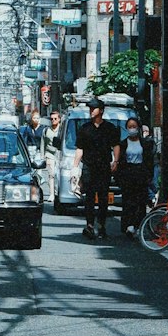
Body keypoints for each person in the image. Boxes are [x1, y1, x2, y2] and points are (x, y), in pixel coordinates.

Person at [73, 98, 120, 240]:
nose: (91, 111)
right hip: (89, 166)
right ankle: (89, 225)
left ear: (101, 110)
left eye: (93, 108)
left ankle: (102, 225)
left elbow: (116, 145)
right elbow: (79, 149)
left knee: (104, 197)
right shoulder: (84, 128)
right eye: (90, 108)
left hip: (104, 166)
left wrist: (115, 161)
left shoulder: (110, 128)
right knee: (89, 197)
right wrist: (75, 167)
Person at [117, 115, 154, 237]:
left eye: (134, 126)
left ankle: (139, 226)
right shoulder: (123, 144)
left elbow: (149, 161)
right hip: (128, 174)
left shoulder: (144, 143)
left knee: (140, 202)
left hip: (141, 174)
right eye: (129, 127)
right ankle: (128, 225)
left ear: (138, 128)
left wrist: (148, 176)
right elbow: (120, 162)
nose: (132, 129)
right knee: (128, 201)